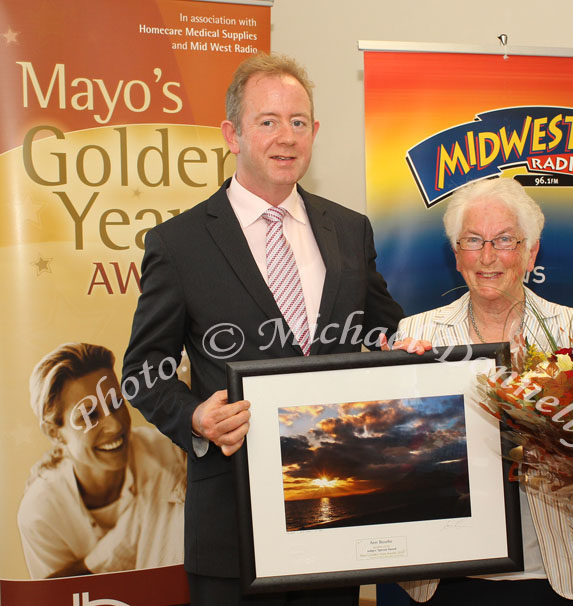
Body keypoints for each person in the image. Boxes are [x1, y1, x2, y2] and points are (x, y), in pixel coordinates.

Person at [122, 53, 404, 605]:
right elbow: (142, 371)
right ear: (232, 134)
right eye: (267, 121)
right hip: (233, 526)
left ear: (315, 132)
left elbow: (384, 332)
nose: (286, 137)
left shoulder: (349, 230)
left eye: (299, 122)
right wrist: (194, 419)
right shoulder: (179, 245)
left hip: (336, 513)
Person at [394, 177, 573, 605]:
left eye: (504, 240)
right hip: (449, 573)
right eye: (473, 240)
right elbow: (396, 448)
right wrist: (400, 378)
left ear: (531, 253)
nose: (488, 257)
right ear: (456, 254)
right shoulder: (416, 334)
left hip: (553, 571)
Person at [17, 343, 185, 579]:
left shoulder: (169, 453)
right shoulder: (41, 514)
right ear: (54, 433)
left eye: (116, 404)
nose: (115, 425)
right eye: (89, 415)